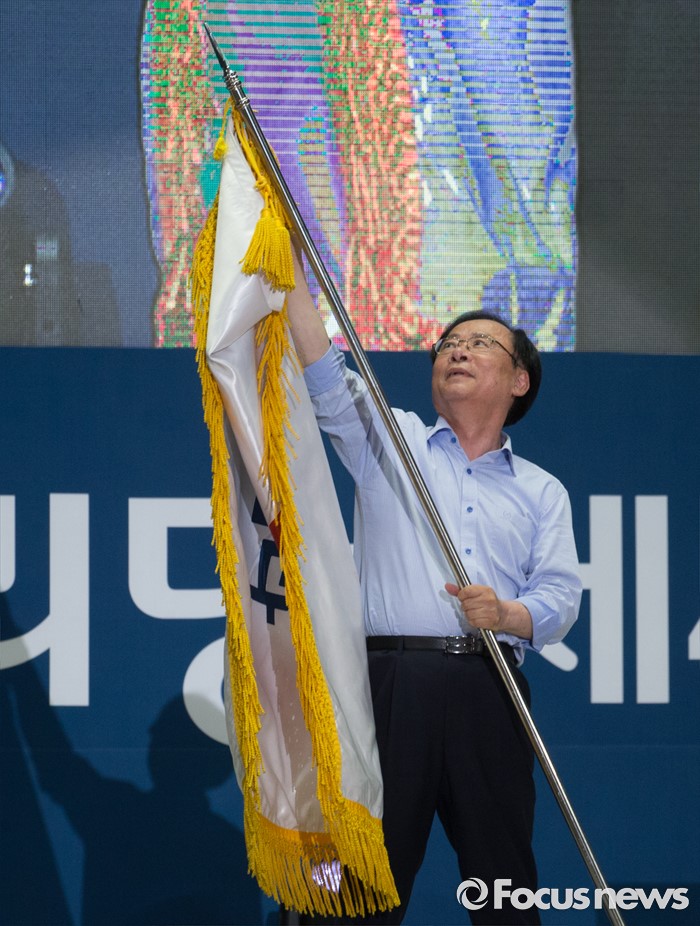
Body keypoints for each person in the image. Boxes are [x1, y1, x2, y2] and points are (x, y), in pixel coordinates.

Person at [286, 250, 582, 925]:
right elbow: (323, 369)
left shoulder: (542, 491)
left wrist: (507, 612)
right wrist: (290, 270)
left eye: (480, 343)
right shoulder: (394, 442)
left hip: (491, 687)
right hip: (394, 685)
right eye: (448, 344)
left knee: (504, 884)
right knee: (361, 886)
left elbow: (560, 597)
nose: (458, 350)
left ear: (519, 380)